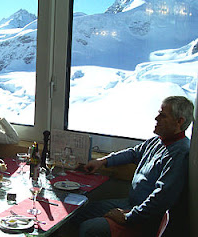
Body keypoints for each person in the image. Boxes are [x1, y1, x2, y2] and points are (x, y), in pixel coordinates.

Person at [72, 96, 194, 237]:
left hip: (147, 218)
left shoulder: (179, 153)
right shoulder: (157, 141)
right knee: (79, 211)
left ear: (179, 121)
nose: (156, 118)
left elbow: (161, 199)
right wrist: (102, 161)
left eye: (163, 115)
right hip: (131, 203)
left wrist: (129, 216)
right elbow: (133, 153)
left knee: (90, 228)